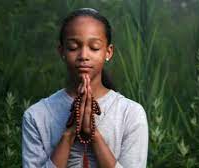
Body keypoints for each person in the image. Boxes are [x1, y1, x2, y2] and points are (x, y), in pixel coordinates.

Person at [22, 8, 149, 168]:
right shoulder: (36, 116)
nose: (83, 55)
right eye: (73, 47)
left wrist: (93, 135)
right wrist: (68, 135)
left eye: (94, 47)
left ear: (108, 52)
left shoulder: (130, 114)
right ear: (61, 51)